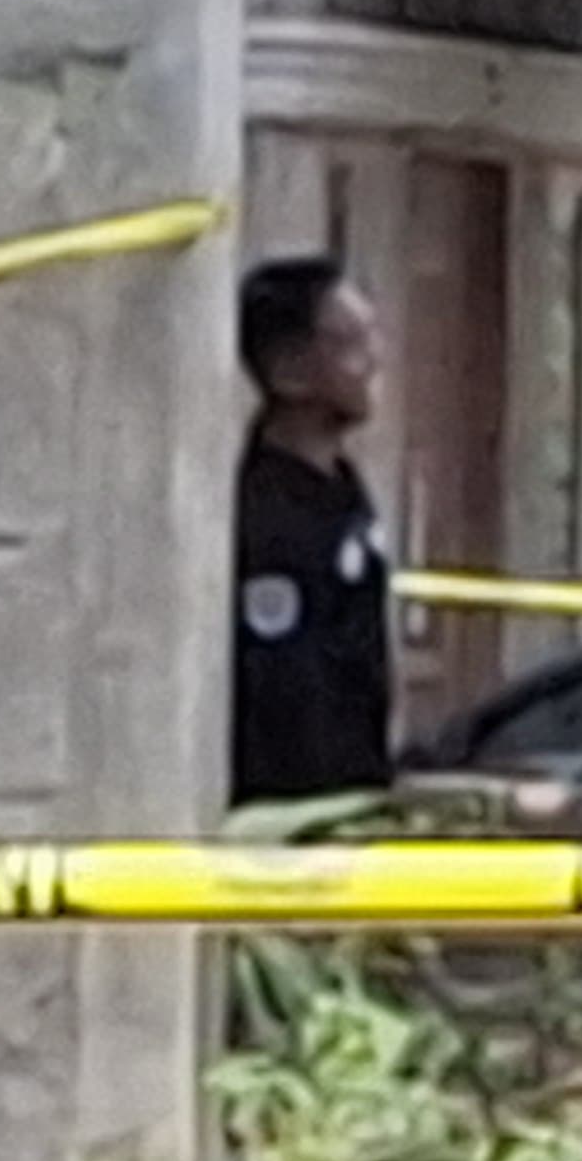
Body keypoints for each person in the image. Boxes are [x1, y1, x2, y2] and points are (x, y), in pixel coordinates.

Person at [231, 256, 395, 807]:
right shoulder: (268, 515)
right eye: (349, 344)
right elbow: (283, 691)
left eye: (372, 336)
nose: (373, 361)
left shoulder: (343, 487)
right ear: (288, 371)